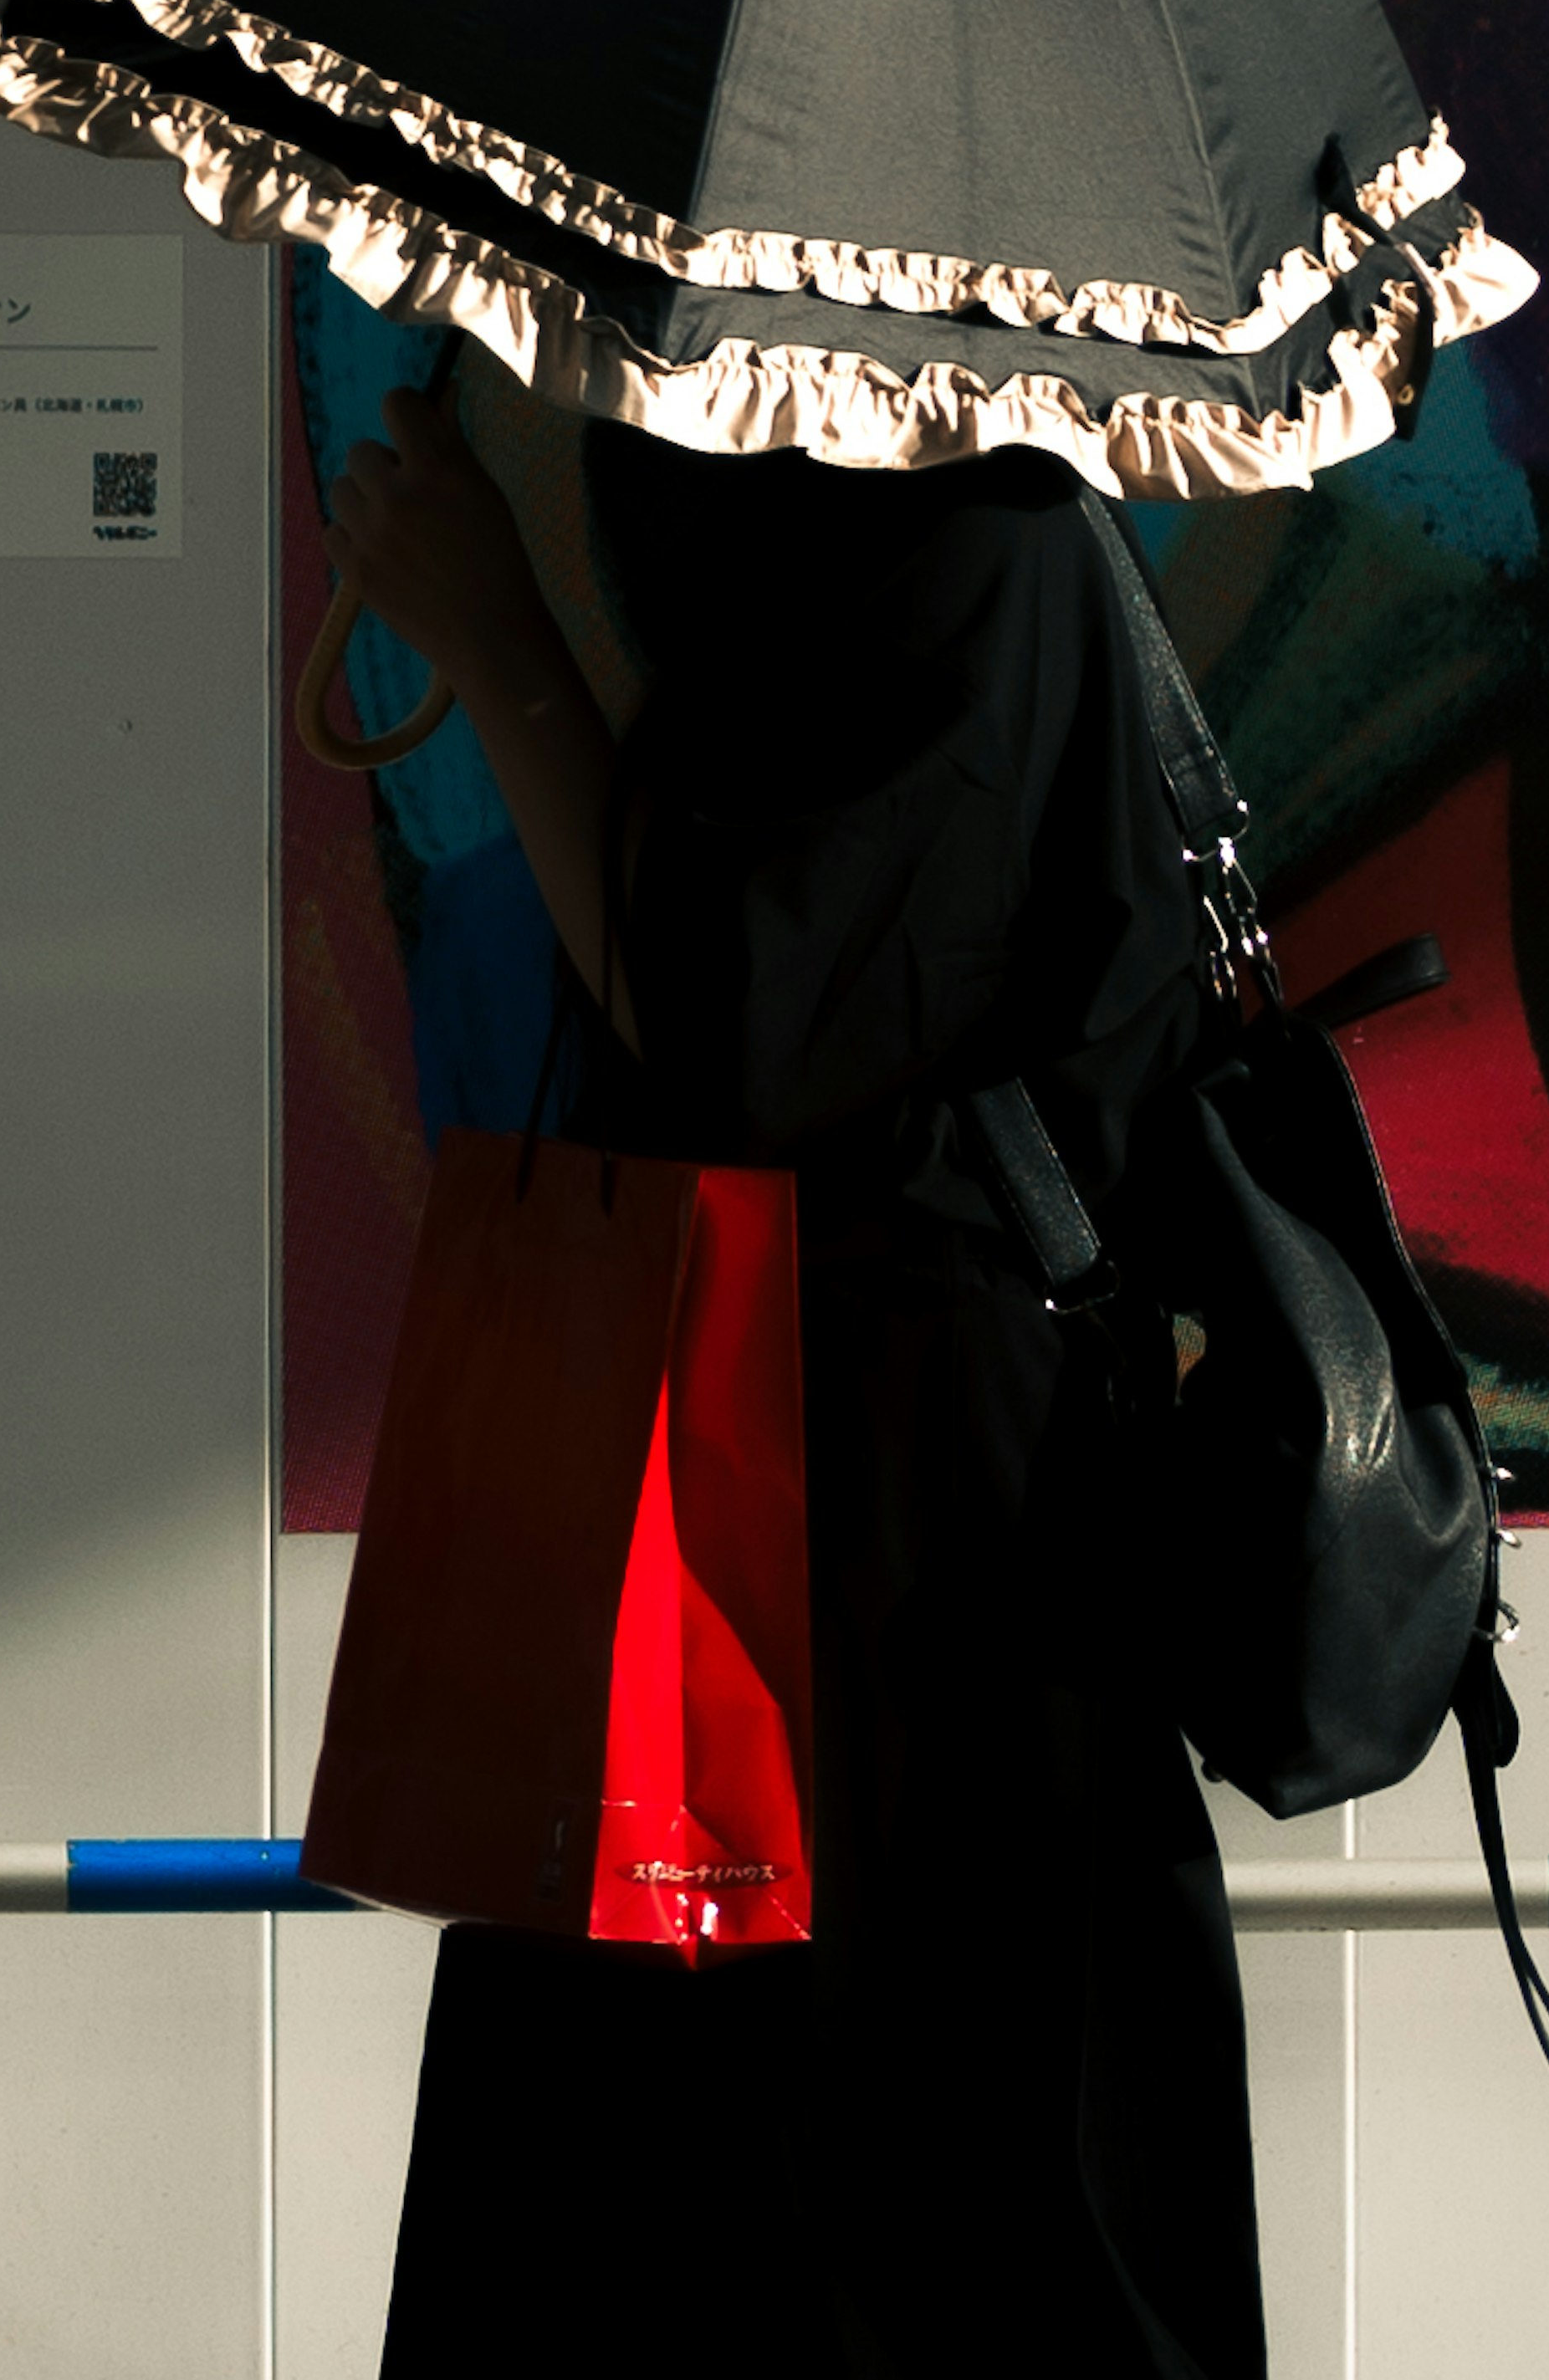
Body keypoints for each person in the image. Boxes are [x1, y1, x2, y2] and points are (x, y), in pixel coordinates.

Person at [325, 379, 1270, 2380]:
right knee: (755, 2213)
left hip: (900, 1542)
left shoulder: (974, 544)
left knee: (874, 2219)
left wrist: (497, 634)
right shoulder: (926, 529)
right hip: (809, 1495)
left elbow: (736, 1014)